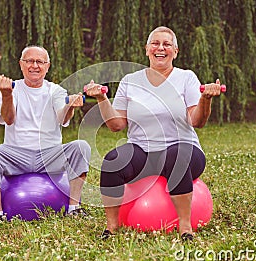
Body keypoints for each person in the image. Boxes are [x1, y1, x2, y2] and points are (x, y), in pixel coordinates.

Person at [85, 26, 223, 241]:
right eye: (155, 44)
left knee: (175, 156)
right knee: (113, 160)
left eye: (167, 44)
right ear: (147, 49)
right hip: (143, 151)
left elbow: (198, 121)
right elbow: (116, 125)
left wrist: (206, 99)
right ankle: (111, 226)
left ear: (175, 51)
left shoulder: (186, 78)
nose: (161, 48)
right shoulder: (130, 81)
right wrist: (102, 99)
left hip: (185, 149)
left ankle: (185, 228)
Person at [0, 45, 91, 222]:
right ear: (21, 64)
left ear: (47, 66)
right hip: (16, 153)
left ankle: (74, 208)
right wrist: (7, 94)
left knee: (81, 147)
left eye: (40, 62)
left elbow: (62, 118)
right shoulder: (12, 88)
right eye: (29, 61)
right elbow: (8, 119)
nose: (35, 66)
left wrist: (70, 106)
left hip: (49, 155)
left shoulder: (55, 90)